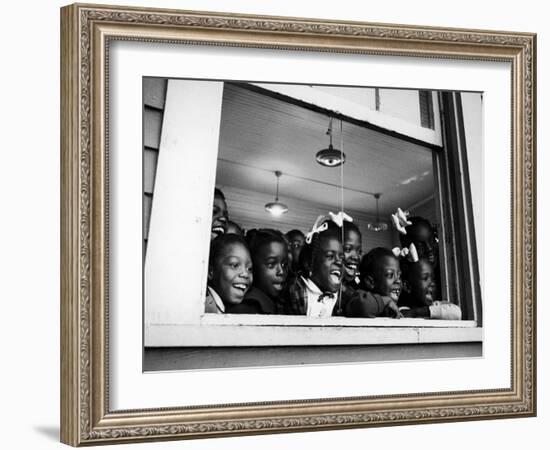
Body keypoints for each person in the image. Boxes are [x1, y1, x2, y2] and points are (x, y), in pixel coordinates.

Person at [285, 217, 344, 317]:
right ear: (309, 264)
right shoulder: (294, 291)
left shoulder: (344, 296)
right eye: (330, 256)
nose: (339, 262)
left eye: (342, 258)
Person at [227, 229, 289, 314]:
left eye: (284, 264)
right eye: (271, 264)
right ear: (252, 266)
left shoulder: (279, 302)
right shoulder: (247, 308)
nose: (281, 271)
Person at [344, 247, 401, 318]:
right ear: (370, 282)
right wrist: (385, 301)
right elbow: (363, 307)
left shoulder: (392, 307)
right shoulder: (359, 296)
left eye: (399, 275)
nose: (398, 280)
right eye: (390, 275)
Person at [205, 234, 252, 313]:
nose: (245, 274)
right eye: (234, 265)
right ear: (210, 272)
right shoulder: (204, 307)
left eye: (249, 269)